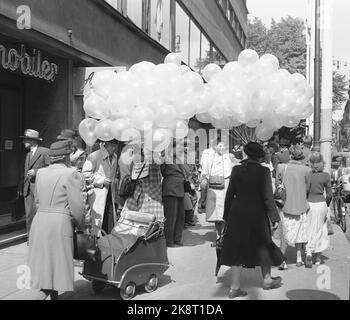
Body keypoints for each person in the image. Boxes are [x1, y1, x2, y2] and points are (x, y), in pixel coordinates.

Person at [220, 142, 284, 299]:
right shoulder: (264, 171)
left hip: (237, 213)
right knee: (263, 245)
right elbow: (268, 197)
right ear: (260, 155)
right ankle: (267, 280)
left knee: (236, 247)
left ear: (246, 153)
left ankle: (234, 288)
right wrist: (274, 217)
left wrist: (226, 217)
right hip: (257, 214)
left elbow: (229, 195)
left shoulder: (236, 169)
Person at [27, 140, 86, 300]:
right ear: (66, 156)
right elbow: (77, 207)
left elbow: (37, 201)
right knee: (50, 277)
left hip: (39, 223)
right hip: (59, 225)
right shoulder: (71, 173)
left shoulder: (40, 173)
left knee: (47, 271)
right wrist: (82, 226)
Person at [276, 145, 312, 269]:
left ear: (290, 155)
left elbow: (277, 185)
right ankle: (298, 258)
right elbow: (307, 188)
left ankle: (282, 260)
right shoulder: (307, 170)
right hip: (301, 204)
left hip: (285, 205)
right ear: (301, 156)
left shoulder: (281, 167)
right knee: (300, 233)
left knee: (285, 234)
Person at [82, 139, 120, 235]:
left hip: (110, 195)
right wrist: (101, 180)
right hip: (97, 195)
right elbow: (85, 174)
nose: (114, 147)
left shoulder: (115, 157)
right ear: (105, 144)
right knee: (97, 223)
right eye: (111, 145)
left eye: (115, 145)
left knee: (110, 222)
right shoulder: (94, 156)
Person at [119, 146, 165, 222]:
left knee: (151, 228)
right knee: (131, 225)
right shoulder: (131, 154)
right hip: (136, 196)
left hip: (152, 198)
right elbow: (126, 173)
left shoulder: (157, 153)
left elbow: (158, 163)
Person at [201, 141, 234, 245]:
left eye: (223, 145)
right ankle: (218, 236)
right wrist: (204, 180)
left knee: (224, 212)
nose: (221, 147)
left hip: (226, 185)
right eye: (219, 145)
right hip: (213, 187)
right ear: (215, 147)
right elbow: (205, 171)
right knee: (215, 214)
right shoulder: (210, 157)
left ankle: (224, 236)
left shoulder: (229, 157)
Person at [18, 129, 50, 235]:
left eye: (25, 139)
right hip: (27, 190)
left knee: (39, 214)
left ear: (32, 140)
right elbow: (24, 173)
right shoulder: (28, 154)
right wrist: (21, 188)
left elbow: (52, 168)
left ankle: (38, 238)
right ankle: (30, 238)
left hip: (39, 189)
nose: (23, 142)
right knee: (29, 215)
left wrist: (36, 171)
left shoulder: (44, 151)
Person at [305, 153, 331, 268]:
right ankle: (318, 257)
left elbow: (305, 190)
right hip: (321, 203)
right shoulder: (326, 176)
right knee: (320, 229)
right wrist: (327, 204)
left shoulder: (309, 175)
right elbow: (329, 194)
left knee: (309, 228)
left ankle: (309, 252)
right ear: (322, 164)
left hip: (310, 203)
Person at [160, 140, 186, 247]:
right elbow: (161, 170)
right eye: (178, 147)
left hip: (180, 188)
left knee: (180, 216)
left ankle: (177, 239)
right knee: (170, 216)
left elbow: (186, 172)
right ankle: (169, 240)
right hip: (170, 188)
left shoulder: (179, 159)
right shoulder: (165, 158)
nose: (180, 149)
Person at [197, 139, 216, 213]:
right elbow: (201, 165)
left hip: (213, 175)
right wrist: (201, 175)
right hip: (205, 175)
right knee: (204, 189)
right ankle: (201, 205)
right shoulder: (206, 152)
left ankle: (208, 207)